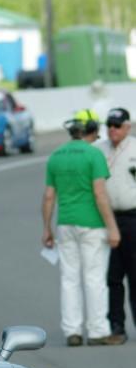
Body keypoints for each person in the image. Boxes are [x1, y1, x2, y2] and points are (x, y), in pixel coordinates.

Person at [42, 112, 122, 346]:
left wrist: (47, 228)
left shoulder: (56, 156)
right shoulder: (94, 154)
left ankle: (72, 331)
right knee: (94, 278)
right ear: (92, 129)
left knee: (69, 278)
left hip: (65, 223)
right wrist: (113, 228)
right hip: (92, 225)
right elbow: (100, 194)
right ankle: (97, 331)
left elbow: (49, 196)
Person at [96, 107, 136, 343]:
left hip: (133, 217)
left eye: (117, 125)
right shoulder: (98, 150)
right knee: (112, 276)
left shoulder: (134, 148)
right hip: (106, 218)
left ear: (127, 127)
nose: (112, 129)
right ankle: (116, 326)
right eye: (109, 124)